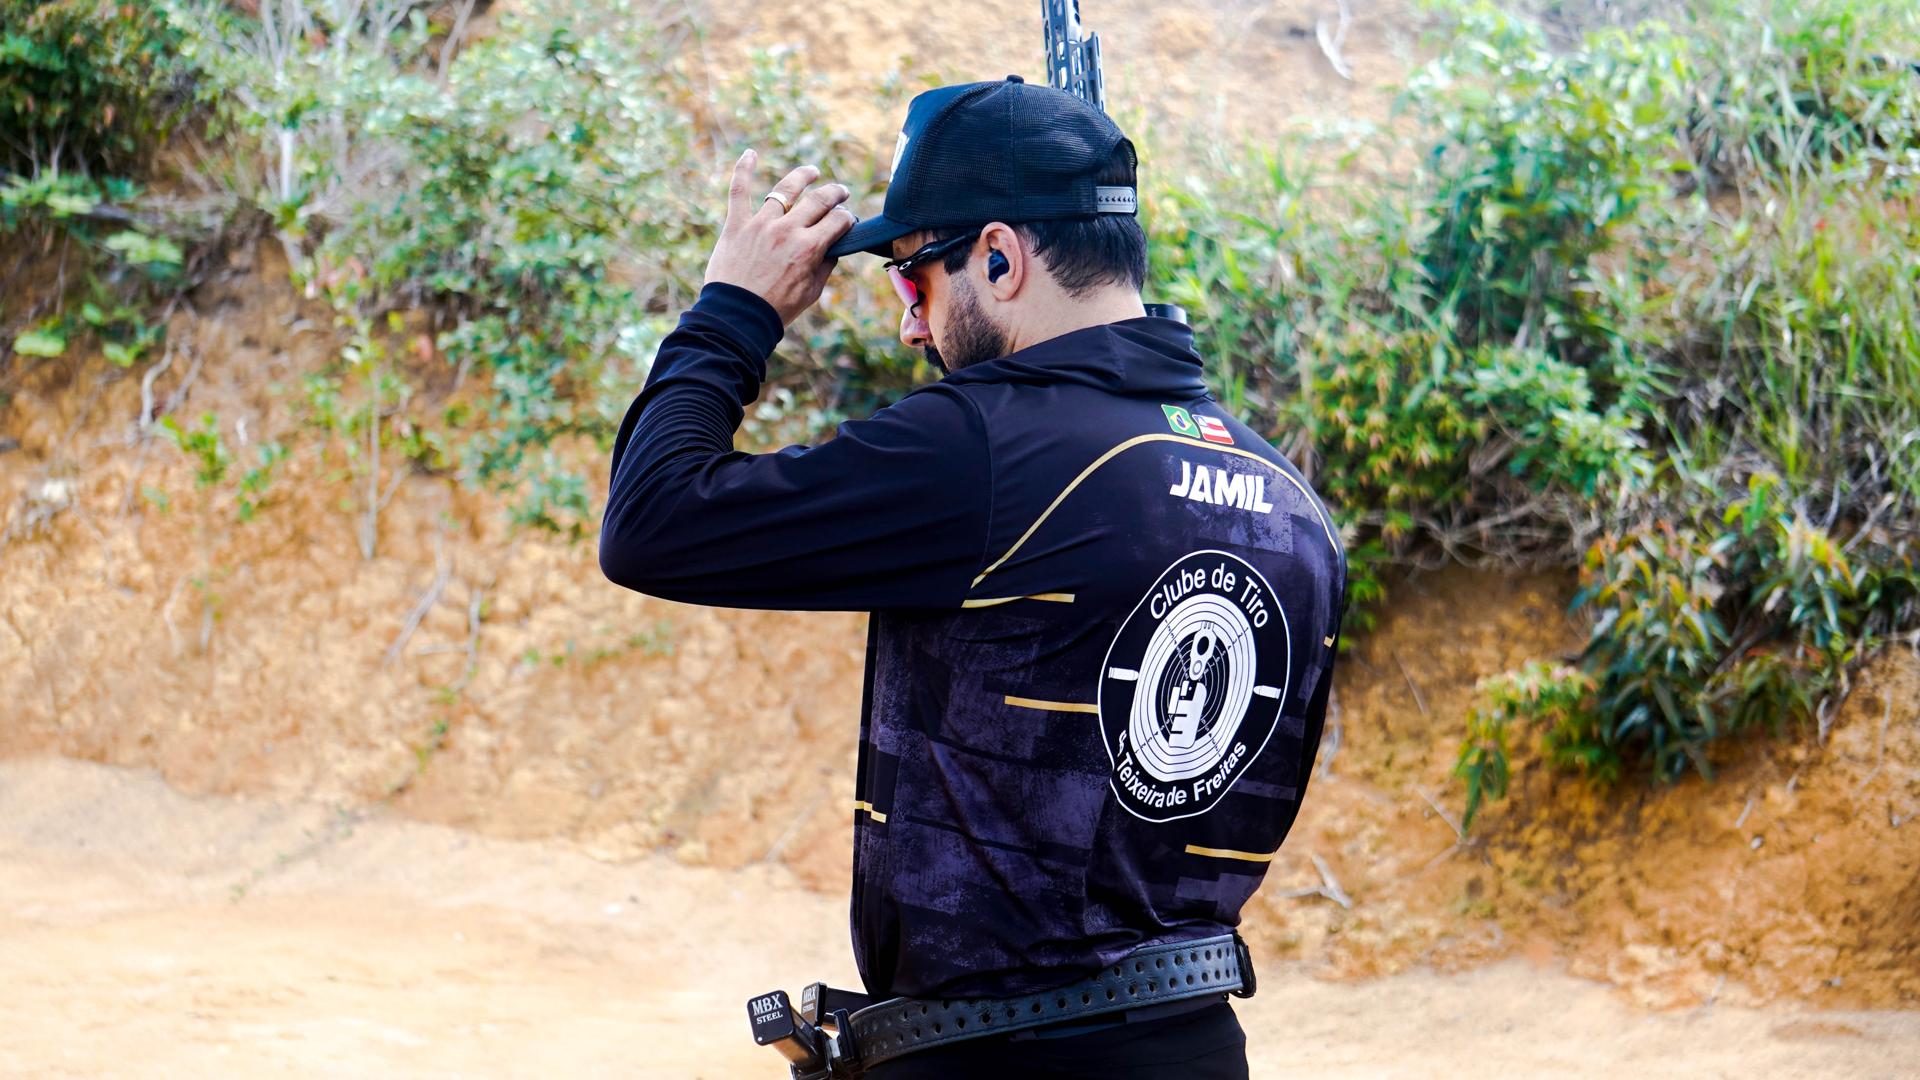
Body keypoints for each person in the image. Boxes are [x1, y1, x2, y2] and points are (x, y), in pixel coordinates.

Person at [600, 77, 1346, 1078]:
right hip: (1200, 1044)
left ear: (999, 257)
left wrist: (734, 310)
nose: (913, 328)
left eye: (914, 280)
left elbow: (652, 523)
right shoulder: (1291, 502)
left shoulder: (987, 448)